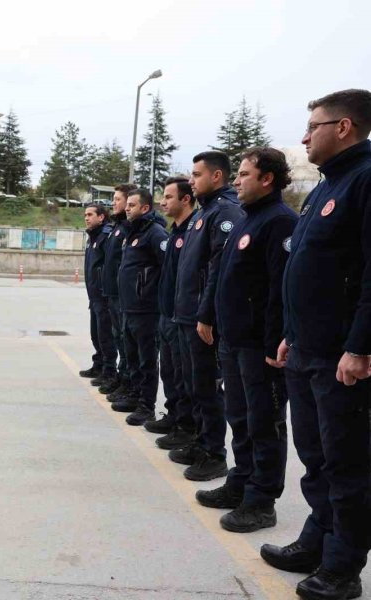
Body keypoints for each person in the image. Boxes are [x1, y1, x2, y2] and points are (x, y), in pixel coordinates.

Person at [261, 89, 371, 600]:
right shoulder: (324, 189)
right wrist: (290, 335)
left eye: (314, 126)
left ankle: (343, 567)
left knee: (346, 465)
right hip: (305, 350)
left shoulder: (365, 182)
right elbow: (306, 274)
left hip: (341, 358)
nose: (305, 136)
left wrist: (360, 346)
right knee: (315, 458)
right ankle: (317, 539)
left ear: (344, 127)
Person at [200, 147, 296, 534]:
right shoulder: (246, 219)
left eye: (243, 174)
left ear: (266, 178)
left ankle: (261, 500)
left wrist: (276, 343)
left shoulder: (280, 222)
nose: (236, 181)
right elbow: (223, 273)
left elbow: (280, 288)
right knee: (239, 418)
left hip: (261, 347)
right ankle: (241, 481)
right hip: (235, 341)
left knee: (265, 423)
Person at [171, 151, 244, 481]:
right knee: (195, 386)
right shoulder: (206, 211)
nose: (191, 180)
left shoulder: (225, 212)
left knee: (207, 389)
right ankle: (201, 442)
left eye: (197, 175)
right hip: (187, 315)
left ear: (217, 177)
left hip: (202, 319)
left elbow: (217, 270)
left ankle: (214, 453)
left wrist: (206, 315)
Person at [114, 189, 168, 426]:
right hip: (130, 308)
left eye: (132, 205)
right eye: (127, 205)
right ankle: (135, 397)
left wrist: (151, 293)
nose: (127, 208)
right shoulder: (132, 232)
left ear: (145, 208)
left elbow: (168, 267)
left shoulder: (155, 234)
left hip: (147, 310)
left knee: (146, 360)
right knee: (133, 357)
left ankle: (147, 406)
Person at [149, 177, 197, 445]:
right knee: (169, 372)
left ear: (185, 199)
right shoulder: (175, 232)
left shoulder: (193, 231)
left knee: (184, 377)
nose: (162, 202)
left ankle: (187, 428)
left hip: (183, 316)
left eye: (168, 197)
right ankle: (174, 417)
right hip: (167, 314)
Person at [99, 184, 137, 400]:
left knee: (126, 342)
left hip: (125, 297)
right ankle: (122, 380)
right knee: (118, 338)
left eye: (117, 200)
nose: (114, 203)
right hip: (112, 294)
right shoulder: (118, 228)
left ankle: (128, 382)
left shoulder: (129, 229)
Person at [83, 204, 117, 389]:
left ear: (101, 217)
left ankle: (109, 371)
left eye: (90, 215)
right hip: (94, 295)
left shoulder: (106, 236)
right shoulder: (92, 237)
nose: (86, 218)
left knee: (105, 336)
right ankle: (99, 364)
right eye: (85, 215)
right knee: (96, 334)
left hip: (103, 296)